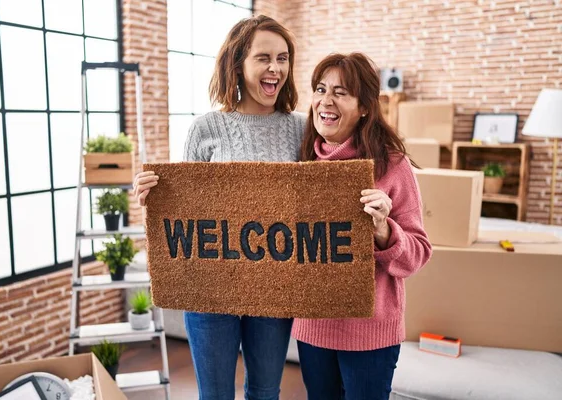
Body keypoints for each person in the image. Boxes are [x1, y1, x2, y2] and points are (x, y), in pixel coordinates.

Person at [133, 15, 306, 400]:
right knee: (214, 396)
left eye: (283, 58)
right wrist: (155, 194)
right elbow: (187, 208)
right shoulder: (205, 128)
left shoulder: (302, 128)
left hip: (273, 289)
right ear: (238, 63)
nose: (275, 68)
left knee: (265, 392)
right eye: (263, 58)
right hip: (210, 291)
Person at [292, 52, 433, 400]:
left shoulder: (392, 165)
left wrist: (384, 231)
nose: (326, 100)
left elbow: (419, 254)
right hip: (313, 327)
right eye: (320, 89)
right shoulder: (302, 162)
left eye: (341, 92)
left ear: (365, 106)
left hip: (370, 332)